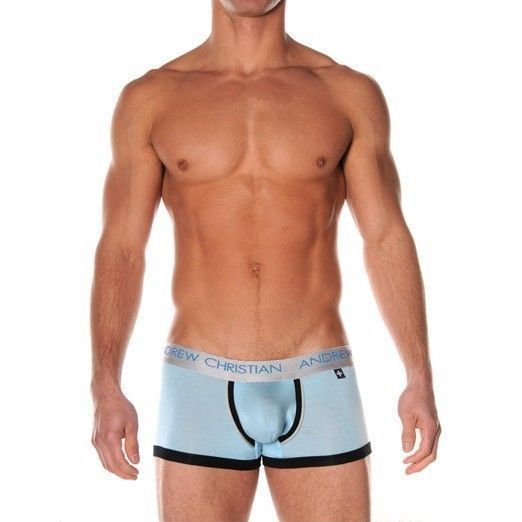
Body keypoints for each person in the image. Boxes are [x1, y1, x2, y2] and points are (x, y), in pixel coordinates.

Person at [90, 0, 441, 520]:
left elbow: (385, 237)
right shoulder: (152, 98)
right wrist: (105, 385)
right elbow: (122, 248)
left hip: (319, 375)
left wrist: (419, 377)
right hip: (198, 381)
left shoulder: (346, 93)